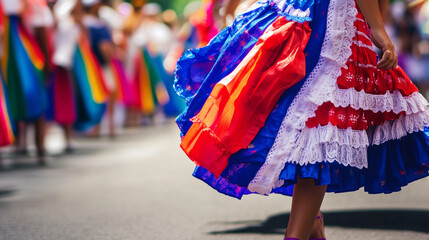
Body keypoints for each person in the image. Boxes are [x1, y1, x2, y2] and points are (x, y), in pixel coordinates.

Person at [174, 0, 429, 240]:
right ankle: (305, 225)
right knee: (302, 128)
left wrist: (376, 25)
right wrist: (377, 26)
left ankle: (302, 228)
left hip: (323, 24)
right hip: (304, 22)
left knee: (317, 130)